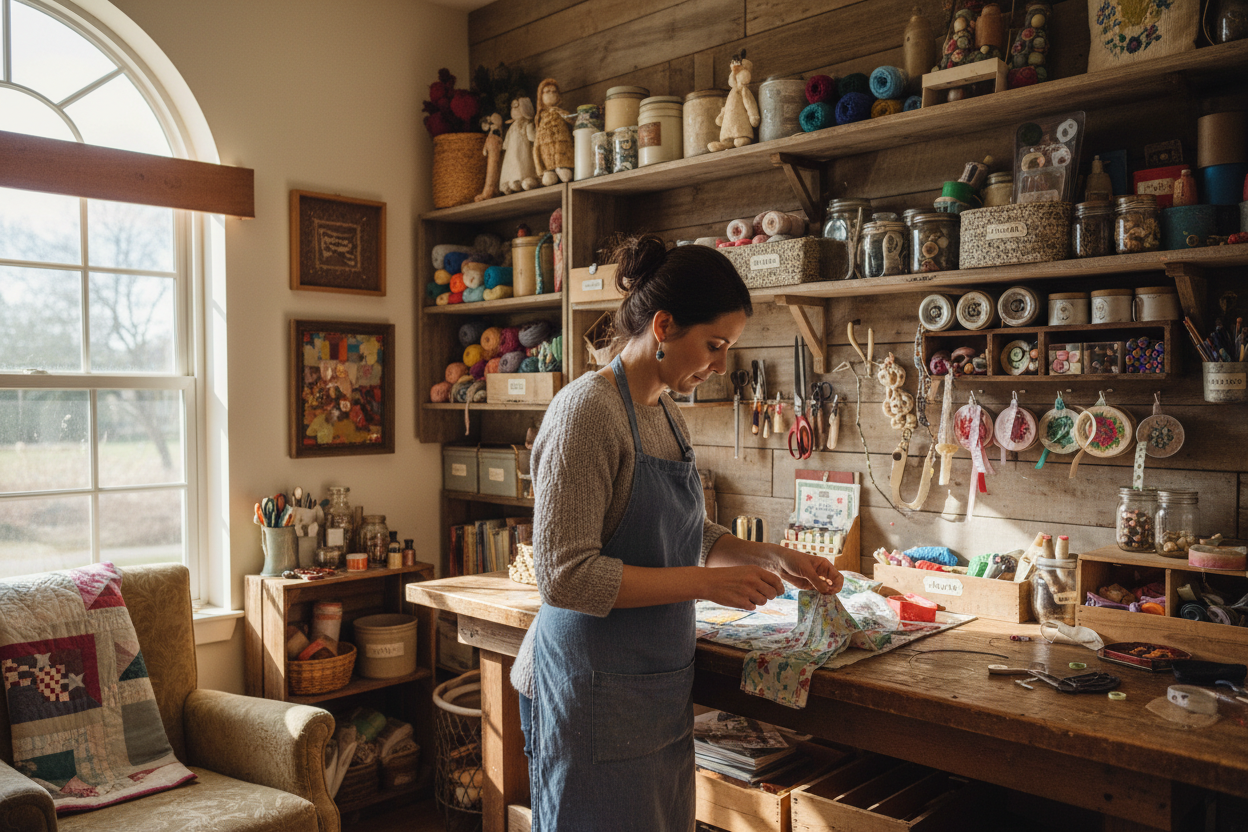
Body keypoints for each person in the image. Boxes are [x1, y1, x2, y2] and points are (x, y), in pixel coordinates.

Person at [511, 234, 843, 831]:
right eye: (714, 346)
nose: (720, 365)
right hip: (587, 692)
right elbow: (564, 577)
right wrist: (705, 586)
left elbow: (684, 529)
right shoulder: (586, 412)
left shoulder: (663, 408)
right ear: (663, 325)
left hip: (652, 691)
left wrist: (772, 555)